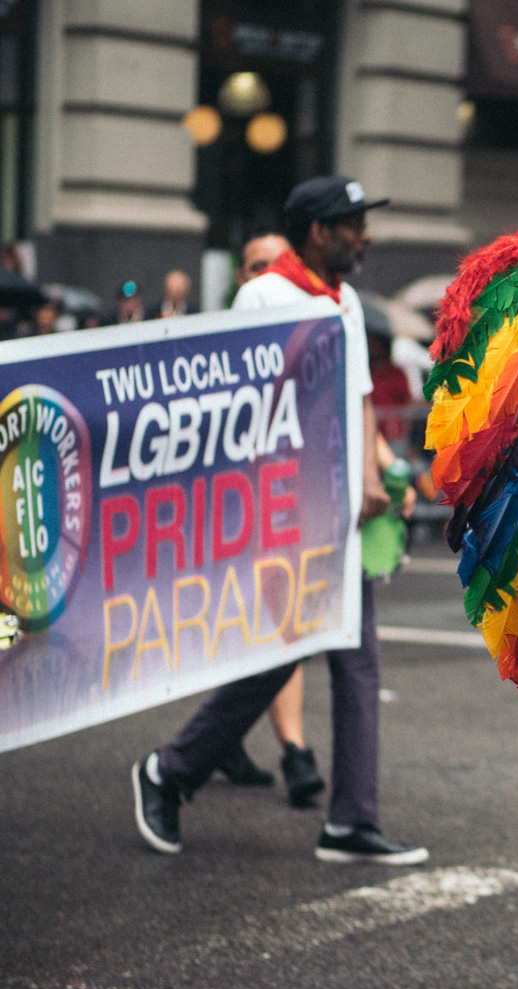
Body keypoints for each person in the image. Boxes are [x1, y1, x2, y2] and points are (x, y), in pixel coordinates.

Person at [131, 175, 428, 865]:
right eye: (353, 223)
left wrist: (371, 476)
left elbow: (356, 398)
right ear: (319, 231)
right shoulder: (264, 295)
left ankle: (351, 819)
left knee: (356, 663)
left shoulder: (346, 300)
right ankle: (168, 771)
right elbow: (241, 407)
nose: (365, 235)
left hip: (339, 510)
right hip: (286, 513)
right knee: (279, 657)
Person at [207, 229, 323, 797]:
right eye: (257, 265)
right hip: (240, 502)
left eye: (279, 264)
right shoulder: (236, 329)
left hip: (292, 501)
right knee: (249, 622)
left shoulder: (315, 321)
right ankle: (275, 747)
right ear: (240, 276)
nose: (269, 276)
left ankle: (288, 748)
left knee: (278, 621)